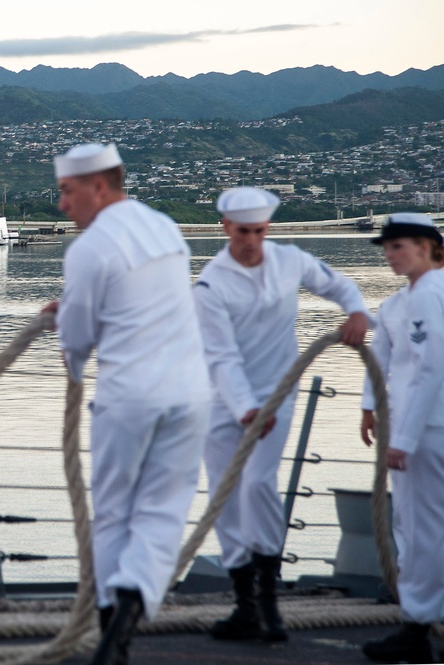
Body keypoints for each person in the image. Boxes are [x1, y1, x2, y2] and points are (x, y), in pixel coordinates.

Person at [46, 143, 211, 665]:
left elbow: (78, 333)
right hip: (190, 393)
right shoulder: (165, 227)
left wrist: (71, 368)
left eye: (67, 192)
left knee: (115, 511)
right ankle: (131, 607)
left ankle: (109, 630)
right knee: (164, 509)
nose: (62, 206)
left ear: (98, 186)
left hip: (130, 396)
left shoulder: (90, 248)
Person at [192, 186, 369, 642]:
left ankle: (268, 599)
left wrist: (355, 311)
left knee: (257, 483)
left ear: (266, 229)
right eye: (242, 231)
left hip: (277, 395)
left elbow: (338, 284)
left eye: (259, 230)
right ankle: (244, 603)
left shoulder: (291, 260)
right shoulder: (211, 285)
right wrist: (245, 408)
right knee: (225, 497)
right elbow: (221, 358)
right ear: (226, 228)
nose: (251, 239)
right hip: (223, 401)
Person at [358, 213, 444, 664]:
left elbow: (431, 368)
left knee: (419, 527)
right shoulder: (397, 304)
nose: (391, 255)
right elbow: (382, 360)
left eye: (400, 246)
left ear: (428, 247)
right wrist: (368, 408)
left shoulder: (430, 296)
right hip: (419, 425)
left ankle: (416, 627)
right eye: (388, 248)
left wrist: (404, 439)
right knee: (421, 526)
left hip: (429, 429)